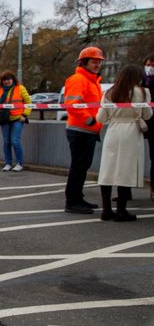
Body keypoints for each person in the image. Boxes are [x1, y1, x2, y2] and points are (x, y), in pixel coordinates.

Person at [96, 64, 153, 221]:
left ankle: (106, 209)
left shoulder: (109, 92)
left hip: (113, 130)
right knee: (126, 170)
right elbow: (147, 115)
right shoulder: (142, 92)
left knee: (107, 170)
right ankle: (121, 210)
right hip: (132, 132)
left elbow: (101, 118)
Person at [63, 47, 105, 214]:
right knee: (78, 167)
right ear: (84, 62)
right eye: (94, 62)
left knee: (82, 167)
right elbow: (72, 105)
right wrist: (91, 121)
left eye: (99, 62)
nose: (97, 65)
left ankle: (77, 198)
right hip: (80, 129)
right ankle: (72, 201)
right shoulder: (78, 79)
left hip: (87, 130)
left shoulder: (92, 81)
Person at [0, 71, 32, 172]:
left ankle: (19, 163)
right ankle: (8, 163)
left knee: (15, 141)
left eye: (8, 79)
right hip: (4, 120)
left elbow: (28, 102)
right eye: (4, 80)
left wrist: (25, 115)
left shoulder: (20, 88)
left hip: (18, 118)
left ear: (13, 79)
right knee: (6, 142)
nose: (6, 82)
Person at [142, 53, 154, 200]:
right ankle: (125, 190)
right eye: (148, 65)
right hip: (141, 121)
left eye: (153, 65)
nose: (150, 68)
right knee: (131, 156)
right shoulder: (141, 81)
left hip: (151, 123)